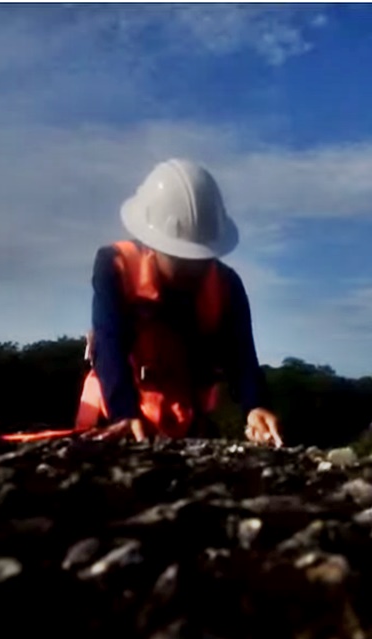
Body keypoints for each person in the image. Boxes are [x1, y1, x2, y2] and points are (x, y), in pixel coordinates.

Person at [74, 158, 283, 447]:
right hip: (114, 414)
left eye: (200, 259)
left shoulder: (227, 285)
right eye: (181, 259)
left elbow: (242, 357)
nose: (193, 270)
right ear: (153, 244)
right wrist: (123, 412)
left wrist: (255, 406)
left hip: (186, 421)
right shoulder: (115, 266)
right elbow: (109, 343)